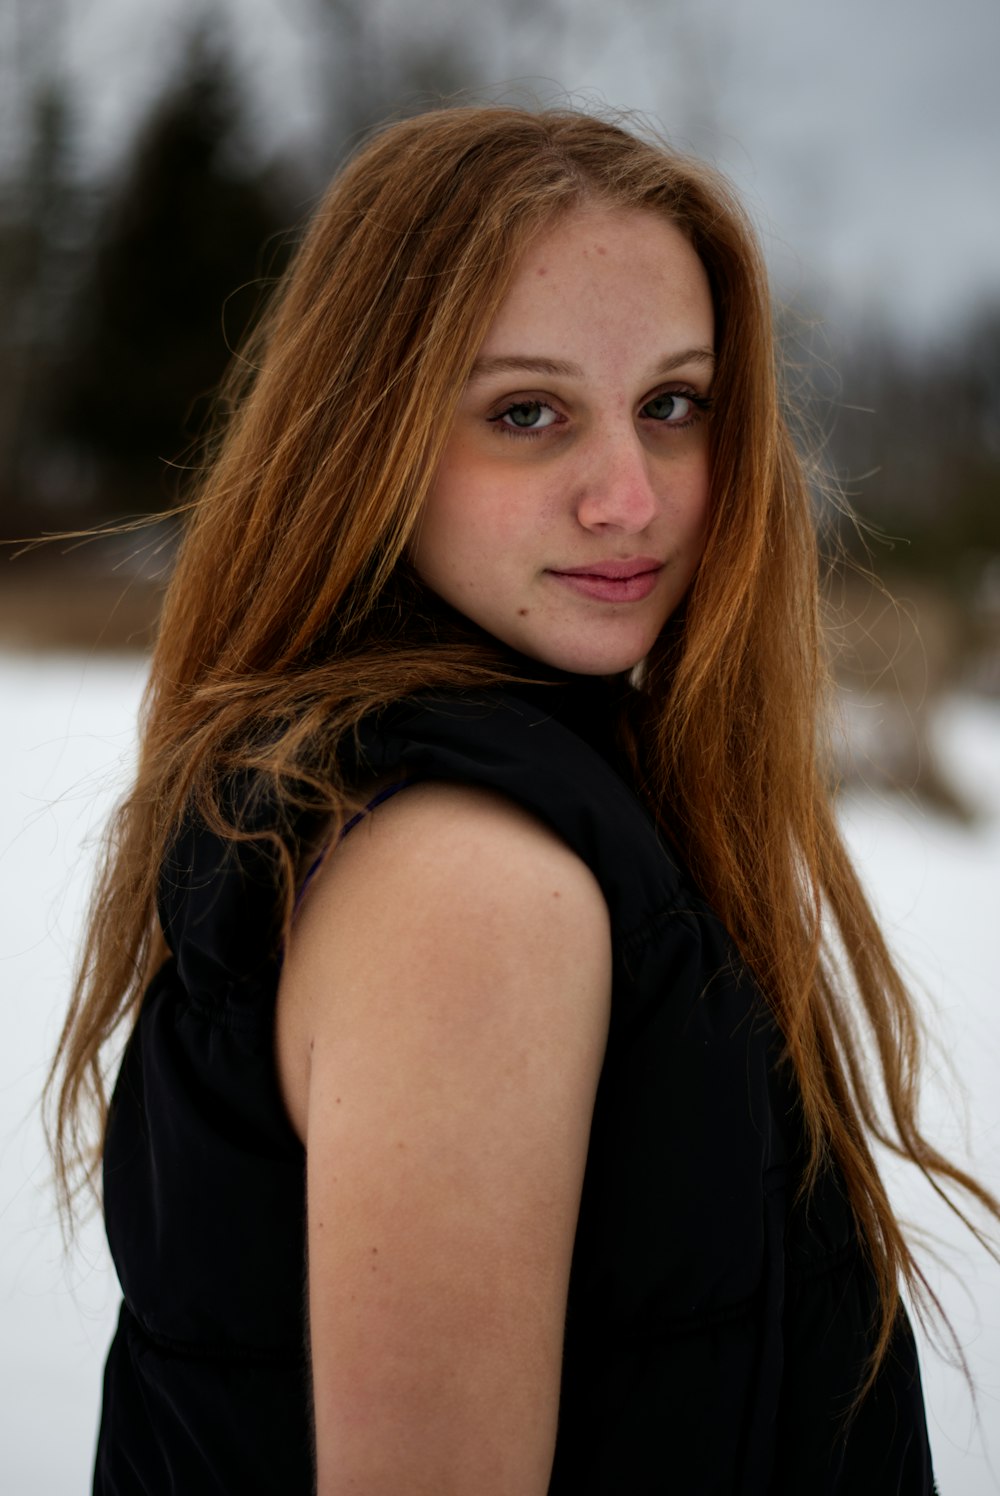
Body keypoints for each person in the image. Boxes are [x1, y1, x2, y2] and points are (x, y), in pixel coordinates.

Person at [47, 105, 997, 1494]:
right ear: (366, 437)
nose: (631, 496)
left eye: (673, 404)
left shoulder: (499, 778)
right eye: (527, 413)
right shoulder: (468, 881)